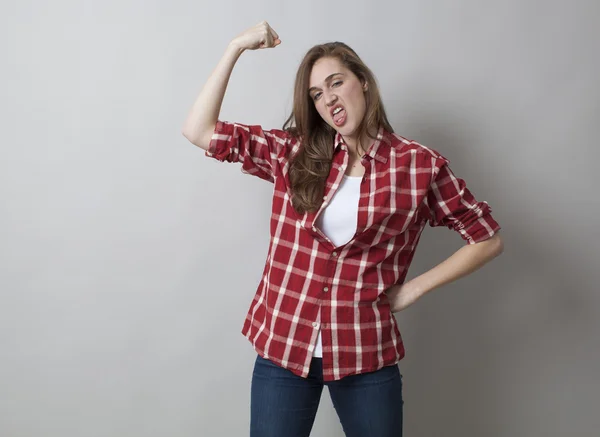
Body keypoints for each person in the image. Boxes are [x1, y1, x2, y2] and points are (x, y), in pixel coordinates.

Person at [182, 21, 504, 437]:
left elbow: (487, 238)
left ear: (364, 83)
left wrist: (415, 288)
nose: (328, 98)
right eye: (317, 94)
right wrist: (235, 48)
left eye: (336, 82)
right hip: (284, 345)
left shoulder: (419, 165)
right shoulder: (294, 153)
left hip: (363, 350)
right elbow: (199, 131)